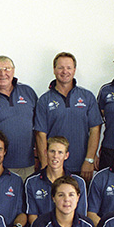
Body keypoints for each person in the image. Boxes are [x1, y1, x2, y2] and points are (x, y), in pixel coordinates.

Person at [34, 52, 101, 180]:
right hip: (55, 166)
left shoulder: (87, 97)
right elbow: (40, 134)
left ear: (74, 70)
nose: (65, 71)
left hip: (82, 166)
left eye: (69, 68)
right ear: (54, 70)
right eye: (60, 67)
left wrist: (90, 159)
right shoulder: (44, 100)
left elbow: (95, 129)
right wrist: (44, 164)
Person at [24, 136, 87, 226]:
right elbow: (32, 215)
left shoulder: (78, 182)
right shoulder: (32, 182)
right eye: (52, 151)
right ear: (46, 153)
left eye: (60, 152)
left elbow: (81, 216)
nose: (55, 156)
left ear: (66, 156)